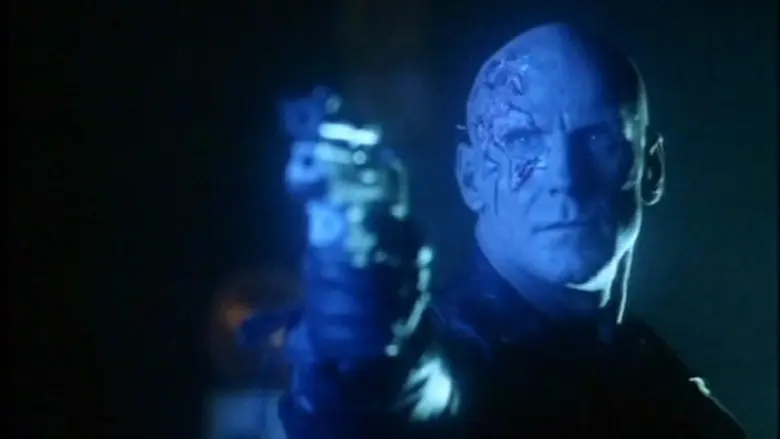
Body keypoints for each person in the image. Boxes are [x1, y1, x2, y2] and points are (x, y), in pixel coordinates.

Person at [260, 23, 747, 438]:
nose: (565, 177)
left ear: (651, 169)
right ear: (471, 176)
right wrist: (359, 322)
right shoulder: (452, 355)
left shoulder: (657, 380)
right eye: (522, 140)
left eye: (599, 137)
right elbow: (386, 397)